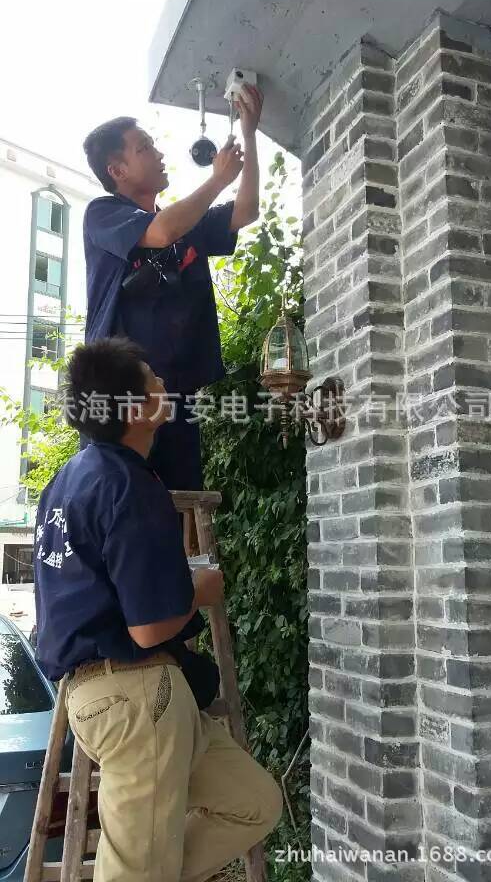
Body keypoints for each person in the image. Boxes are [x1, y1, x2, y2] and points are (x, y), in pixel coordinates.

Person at [33, 337, 282, 882]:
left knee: (254, 803)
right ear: (134, 410)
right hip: (137, 695)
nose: (165, 385)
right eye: (153, 381)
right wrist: (201, 589)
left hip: (106, 694)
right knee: (136, 871)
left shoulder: (65, 483)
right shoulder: (130, 484)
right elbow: (149, 628)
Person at [82, 86, 263, 491]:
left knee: (181, 505)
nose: (159, 153)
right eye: (145, 148)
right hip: (120, 393)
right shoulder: (104, 214)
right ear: (117, 170)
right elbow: (161, 232)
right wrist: (218, 179)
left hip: (176, 394)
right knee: (118, 496)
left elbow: (246, 210)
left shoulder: (185, 223)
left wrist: (249, 135)